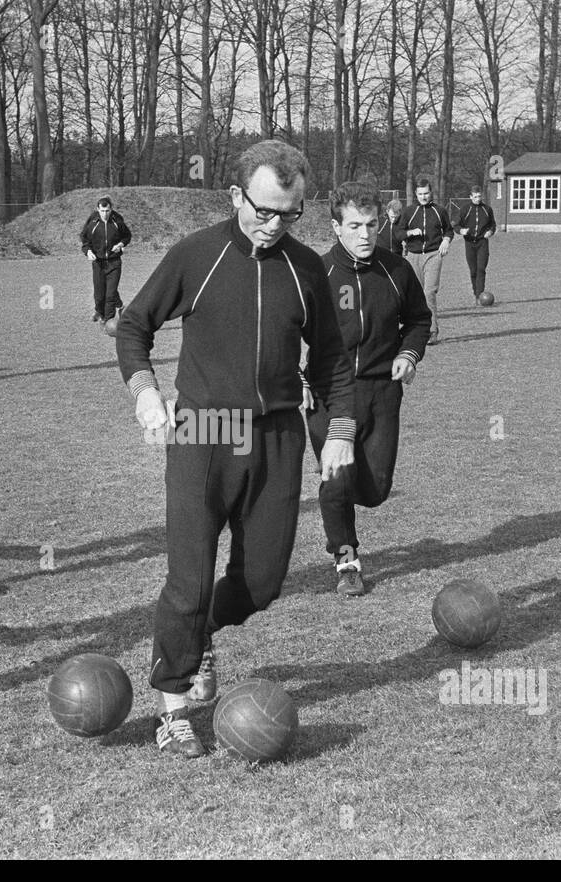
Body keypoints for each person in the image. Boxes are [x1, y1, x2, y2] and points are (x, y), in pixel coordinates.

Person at [116, 140, 356, 758]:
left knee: (263, 582)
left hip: (276, 436)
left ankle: (194, 638)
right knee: (190, 580)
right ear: (235, 196)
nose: (274, 225)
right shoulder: (198, 256)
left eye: (290, 214)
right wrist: (146, 393)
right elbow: (135, 325)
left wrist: (340, 433)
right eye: (264, 210)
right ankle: (172, 707)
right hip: (204, 432)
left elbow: (331, 360)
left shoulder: (307, 270)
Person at [311, 183, 431, 596]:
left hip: (382, 392)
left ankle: (339, 493)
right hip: (329, 395)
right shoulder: (317, 275)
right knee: (338, 482)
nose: (365, 235)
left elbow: (419, 320)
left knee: (376, 489)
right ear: (336, 227)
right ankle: (347, 561)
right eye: (355, 226)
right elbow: (287, 332)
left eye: (372, 225)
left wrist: (409, 354)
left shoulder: (397, 271)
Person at [398, 179, 453, 343]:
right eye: (420, 194)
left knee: (429, 292)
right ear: (416, 194)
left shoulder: (440, 211)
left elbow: (449, 230)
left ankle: (432, 332)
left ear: (431, 193)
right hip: (413, 256)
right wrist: (410, 233)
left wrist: (446, 240)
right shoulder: (408, 212)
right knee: (415, 296)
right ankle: (416, 331)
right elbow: (398, 233)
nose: (423, 197)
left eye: (426, 193)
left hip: (433, 255)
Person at [81, 196, 131, 324]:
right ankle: (101, 310)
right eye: (102, 211)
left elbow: (127, 236)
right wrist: (88, 252)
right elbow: (85, 241)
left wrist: (120, 244)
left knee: (110, 294)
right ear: (98, 209)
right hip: (98, 263)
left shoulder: (117, 222)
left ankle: (107, 321)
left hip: (114, 263)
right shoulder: (93, 223)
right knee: (99, 295)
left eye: (107, 211)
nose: (105, 214)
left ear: (111, 209)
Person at [456, 185, 497, 302]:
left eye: (479, 196)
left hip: (482, 243)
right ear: (470, 197)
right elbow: (456, 225)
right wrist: (461, 231)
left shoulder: (487, 209)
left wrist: (490, 232)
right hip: (469, 243)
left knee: (481, 269)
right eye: (475, 197)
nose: (478, 199)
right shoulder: (465, 209)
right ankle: (476, 292)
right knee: (473, 270)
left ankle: (480, 295)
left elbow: (492, 225)